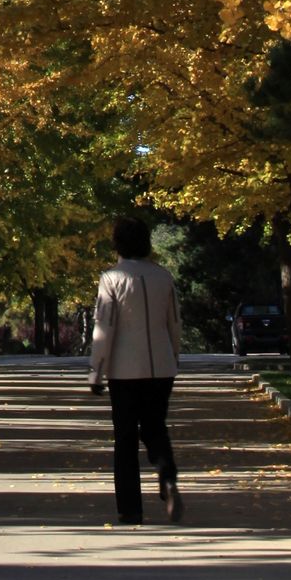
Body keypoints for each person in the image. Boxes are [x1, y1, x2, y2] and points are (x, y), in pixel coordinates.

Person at [89, 217, 183, 525]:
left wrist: (96, 371)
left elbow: (104, 327)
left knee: (125, 438)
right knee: (155, 427)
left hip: (124, 369)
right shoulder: (163, 277)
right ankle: (167, 475)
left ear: (117, 243)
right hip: (161, 366)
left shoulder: (111, 279)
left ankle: (130, 508)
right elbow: (174, 324)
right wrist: (174, 357)